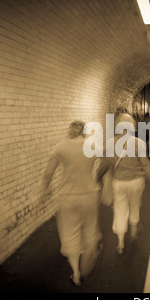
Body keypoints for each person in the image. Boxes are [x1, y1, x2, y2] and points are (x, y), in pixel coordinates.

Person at [41, 121, 102, 286]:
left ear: (70, 131)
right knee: (90, 230)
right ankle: (90, 255)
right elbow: (106, 161)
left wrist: (42, 192)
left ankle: (75, 274)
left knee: (70, 233)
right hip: (89, 194)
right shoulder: (92, 146)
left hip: (67, 197)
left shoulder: (60, 147)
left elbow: (48, 174)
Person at [107, 113, 150, 255]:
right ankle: (134, 231)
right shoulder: (138, 143)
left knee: (120, 211)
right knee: (135, 206)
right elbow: (145, 164)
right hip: (136, 181)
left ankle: (120, 244)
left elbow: (109, 165)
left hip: (118, 182)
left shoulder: (110, 143)